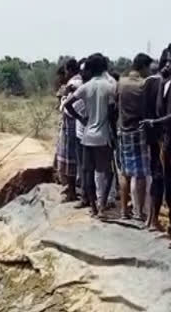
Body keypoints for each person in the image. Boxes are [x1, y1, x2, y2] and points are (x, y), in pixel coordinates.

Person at [141, 42, 171, 247]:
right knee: (169, 189)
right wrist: (162, 81)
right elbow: (161, 109)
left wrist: (155, 123)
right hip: (168, 143)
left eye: (170, 60)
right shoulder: (169, 83)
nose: (166, 64)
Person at [64, 53, 117, 217]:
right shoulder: (110, 87)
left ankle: (93, 207)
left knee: (88, 171)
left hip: (87, 135)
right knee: (108, 172)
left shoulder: (85, 87)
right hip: (103, 135)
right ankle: (102, 206)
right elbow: (113, 109)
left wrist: (82, 118)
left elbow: (67, 104)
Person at [117, 53, 154, 221]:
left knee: (125, 173)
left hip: (123, 130)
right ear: (144, 67)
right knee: (140, 174)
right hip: (138, 131)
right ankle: (139, 212)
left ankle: (124, 211)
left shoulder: (121, 83)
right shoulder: (144, 85)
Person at [143, 50, 171, 232]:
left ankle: (151, 218)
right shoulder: (164, 83)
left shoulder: (148, 83)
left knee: (156, 178)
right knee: (164, 179)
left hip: (152, 137)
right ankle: (156, 220)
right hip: (164, 139)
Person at [56, 59, 82, 202]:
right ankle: (72, 189)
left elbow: (67, 106)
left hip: (71, 123)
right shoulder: (80, 81)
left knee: (69, 158)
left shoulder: (74, 84)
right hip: (75, 123)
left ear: (69, 70)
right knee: (73, 158)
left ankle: (72, 191)